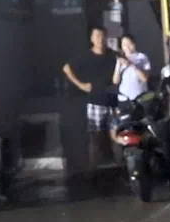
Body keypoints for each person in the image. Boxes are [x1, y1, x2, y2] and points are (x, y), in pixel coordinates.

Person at [61, 24, 120, 179]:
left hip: (113, 101)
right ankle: (95, 173)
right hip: (95, 102)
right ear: (92, 39)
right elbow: (66, 68)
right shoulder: (85, 56)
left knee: (117, 136)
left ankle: (121, 170)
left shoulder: (113, 55)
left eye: (103, 36)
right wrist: (81, 85)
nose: (100, 39)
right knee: (95, 138)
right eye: (97, 36)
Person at [114, 33, 153, 105]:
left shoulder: (142, 57)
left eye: (130, 44)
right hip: (124, 98)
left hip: (140, 96)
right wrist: (118, 64)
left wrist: (131, 65)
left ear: (134, 44)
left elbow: (145, 78)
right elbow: (115, 81)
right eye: (124, 45)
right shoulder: (120, 59)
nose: (127, 47)